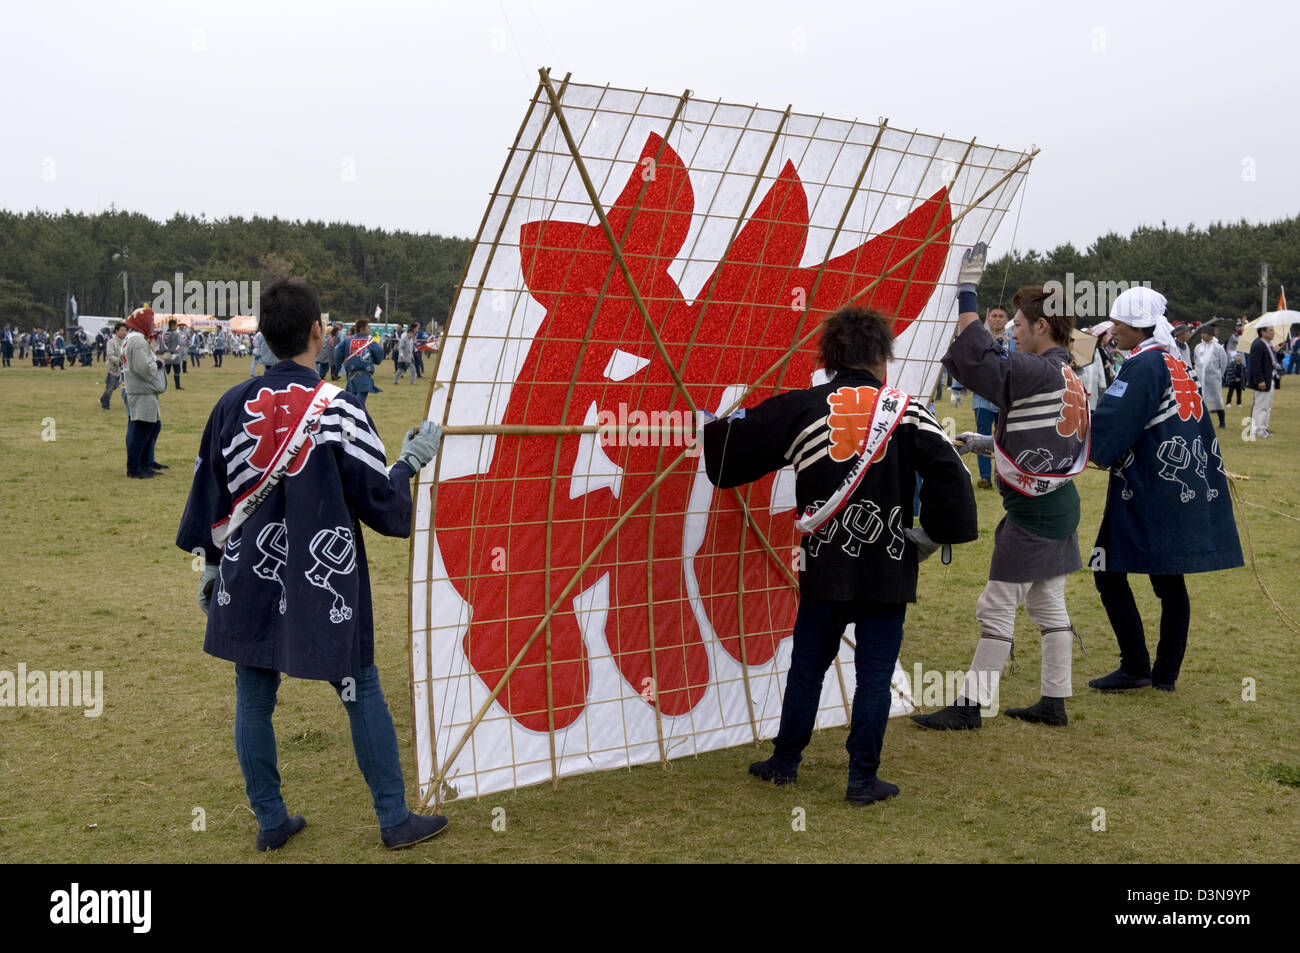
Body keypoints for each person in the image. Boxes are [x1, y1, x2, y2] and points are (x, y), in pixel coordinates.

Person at [176, 279, 447, 851]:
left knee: (252, 697)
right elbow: (388, 509)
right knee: (361, 688)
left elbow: (210, 498)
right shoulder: (340, 410)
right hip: (325, 583)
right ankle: (394, 819)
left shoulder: (229, 405)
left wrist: (208, 564)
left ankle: (271, 823)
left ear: (267, 337)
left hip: (247, 575)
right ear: (318, 333)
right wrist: (408, 463)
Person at [702, 306, 978, 805]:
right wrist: (929, 535)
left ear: (831, 359)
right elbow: (954, 479)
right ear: (881, 357)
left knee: (807, 665)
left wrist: (709, 424)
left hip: (825, 564)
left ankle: (785, 762)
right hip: (888, 563)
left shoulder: (803, 407)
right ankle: (861, 780)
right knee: (874, 672)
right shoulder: (908, 411)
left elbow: (729, 453)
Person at [912, 254, 1090, 731]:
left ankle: (971, 705)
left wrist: (966, 291)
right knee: (1048, 606)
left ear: (1042, 326)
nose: (1011, 331)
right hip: (1058, 505)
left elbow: (980, 360)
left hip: (1035, 512)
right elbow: (1044, 440)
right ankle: (1054, 699)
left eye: (1017, 324)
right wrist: (983, 441)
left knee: (995, 605)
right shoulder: (1068, 371)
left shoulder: (1040, 370)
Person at [1087, 287, 1242, 692]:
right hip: (1182, 483)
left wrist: (1093, 448)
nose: (1113, 329)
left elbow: (1114, 425)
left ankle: (1136, 665)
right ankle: (1165, 674)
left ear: (1140, 326)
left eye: (1119, 322)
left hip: (1148, 488)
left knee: (1107, 570)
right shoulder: (1174, 359)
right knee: (1170, 582)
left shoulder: (1144, 365)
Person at [970, 306, 1014, 489]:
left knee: (1003, 438)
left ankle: (1001, 475)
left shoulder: (1014, 341)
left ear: (1006, 319)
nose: (997, 319)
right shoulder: (980, 340)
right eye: (993, 316)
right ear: (987, 318)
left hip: (1005, 398)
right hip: (983, 398)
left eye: (1000, 316)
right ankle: (985, 477)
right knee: (982, 437)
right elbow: (969, 362)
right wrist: (957, 388)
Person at [122, 307, 168, 478]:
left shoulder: (132, 338)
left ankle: (145, 463)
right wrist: (159, 364)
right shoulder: (138, 341)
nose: (153, 324)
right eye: (151, 321)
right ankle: (135, 468)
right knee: (142, 430)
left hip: (141, 390)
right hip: (142, 390)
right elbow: (145, 368)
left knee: (151, 426)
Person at [336, 319, 384, 406]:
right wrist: (377, 361)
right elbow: (379, 354)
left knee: (351, 402)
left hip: (351, 375)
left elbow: (337, 352)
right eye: (368, 328)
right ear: (362, 329)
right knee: (359, 404)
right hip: (364, 376)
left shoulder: (347, 341)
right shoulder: (370, 342)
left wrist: (338, 365)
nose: (369, 330)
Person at [1193, 326, 1228, 429]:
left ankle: (1222, 421)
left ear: (1211, 335)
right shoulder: (1198, 347)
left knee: (1216, 400)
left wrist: (1218, 374)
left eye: (1205, 333)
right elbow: (1196, 360)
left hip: (1213, 379)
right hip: (1200, 378)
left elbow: (1223, 363)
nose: (1203, 335)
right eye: (1202, 333)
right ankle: (1202, 423)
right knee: (1201, 400)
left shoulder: (1218, 348)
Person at [1248, 325, 1276, 438]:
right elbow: (1255, 365)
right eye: (1270, 330)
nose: (1273, 333)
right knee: (1260, 406)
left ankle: (1263, 428)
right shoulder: (1258, 345)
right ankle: (1257, 429)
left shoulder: (1268, 345)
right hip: (1262, 380)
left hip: (1270, 378)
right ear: (1262, 332)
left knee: (1267, 405)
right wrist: (1259, 380)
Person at [101, 322, 128, 410]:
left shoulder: (127, 341)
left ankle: (129, 403)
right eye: (122, 330)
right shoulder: (111, 342)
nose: (124, 332)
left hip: (125, 369)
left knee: (122, 387)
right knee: (110, 388)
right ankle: (105, 405)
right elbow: (110, 355)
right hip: (114, 369)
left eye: (126, 330)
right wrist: (120, 362)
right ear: (116, 331)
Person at [163, 319, 185, 390]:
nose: (176, 327)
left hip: (167, 353)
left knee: (166, 371)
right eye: (176, 325)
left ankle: (162, 385)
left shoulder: (165, 333)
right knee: (177, 371)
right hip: (175, 354)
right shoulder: (176, 334)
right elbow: (182, 343)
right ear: (172, 326)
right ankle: (177, 386)